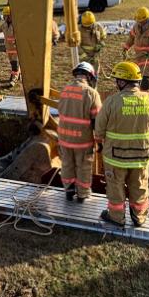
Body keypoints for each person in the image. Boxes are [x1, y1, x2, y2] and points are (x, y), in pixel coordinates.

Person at [95, 61, 149, 227]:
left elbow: (99, 131)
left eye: (116, 80)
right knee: (139, 186)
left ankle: (116, 217)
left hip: (115, 157)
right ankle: (139, 217)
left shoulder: (112, 102)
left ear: (121, 82)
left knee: (115, 187)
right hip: (141, 156)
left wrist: (99, 144)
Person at [57, 62, 103, 202]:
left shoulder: (65, 90)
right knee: (83, 166)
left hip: (64, 138)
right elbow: (97, 120)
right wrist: (99, 140)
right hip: (82, 140)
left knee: (67, 164)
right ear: (89, 76)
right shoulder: (91, 93)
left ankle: (69, 190)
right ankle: (82, 194)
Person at [122, 6, 149, 91]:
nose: (139, 22)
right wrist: (126, 48)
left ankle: (146, 98)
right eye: (138, 20)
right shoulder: (136, 26)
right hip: (138, 57)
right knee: (137, 79)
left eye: (141, 21)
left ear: (146, 18)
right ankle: (139, 96)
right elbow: (131, 38)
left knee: (145, 79)